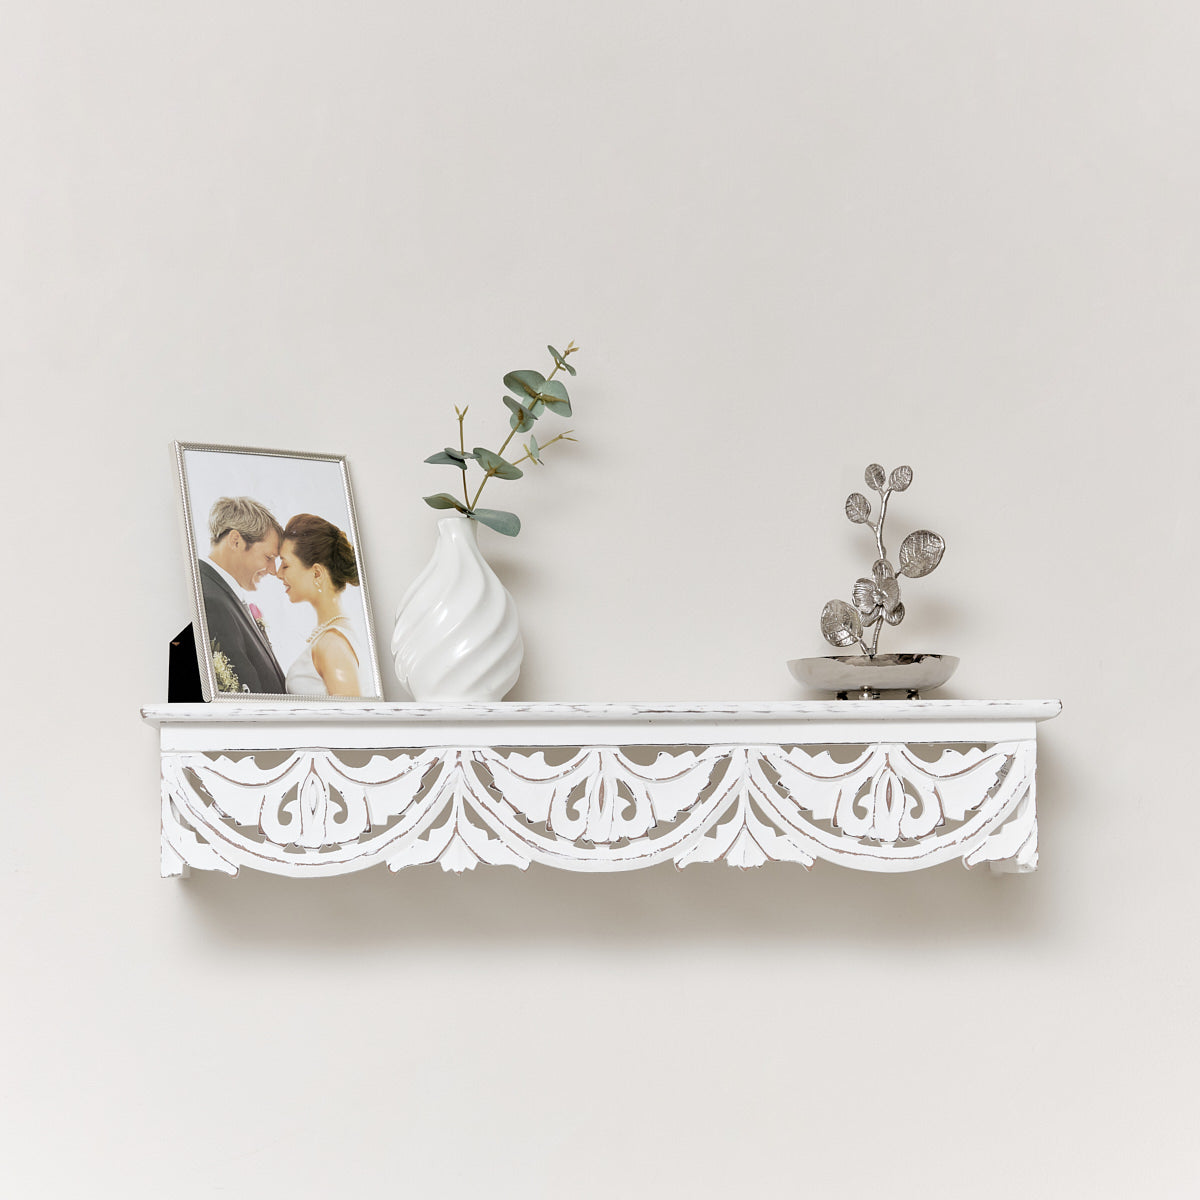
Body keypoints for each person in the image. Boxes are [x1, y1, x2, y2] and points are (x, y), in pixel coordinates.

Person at [198, 497, 287, 694]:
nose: (273, 570)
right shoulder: (211, 602)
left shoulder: (223, 595)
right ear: (236, 541)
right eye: (269, 557)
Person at [277, 513, 363, 697]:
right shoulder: (331, 636)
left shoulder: (332, 644)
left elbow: (352, 712)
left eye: (285, 565)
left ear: (317, 573)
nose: (278, 573)